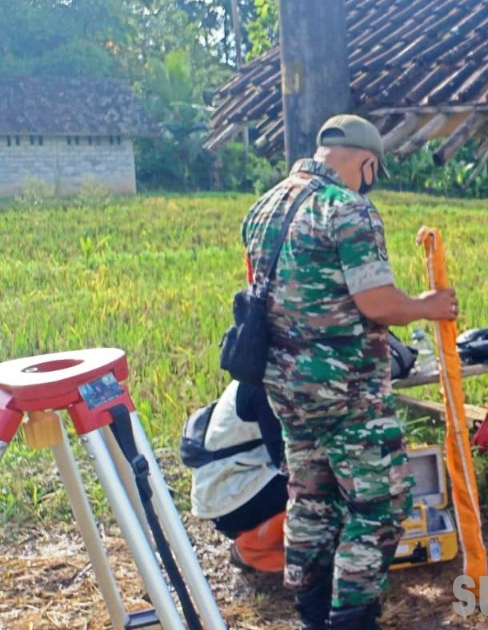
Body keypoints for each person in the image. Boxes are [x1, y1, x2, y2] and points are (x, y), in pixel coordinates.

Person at [242, 114, 458, 630]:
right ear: (366, 162)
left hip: (286, 388)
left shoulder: (263, 206)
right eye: (373, 172)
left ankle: (312, 616)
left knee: (312, 499)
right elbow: (376, 301)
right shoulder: (349, 209)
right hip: (347, 390)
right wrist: (430, 305)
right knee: (381, 504)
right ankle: (352, 618)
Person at [182, 380, 287, 573]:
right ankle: (254, 547)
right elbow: (287, 460)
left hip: (243, 479)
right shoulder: (265, 382)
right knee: (325, 486)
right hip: (232, 496)